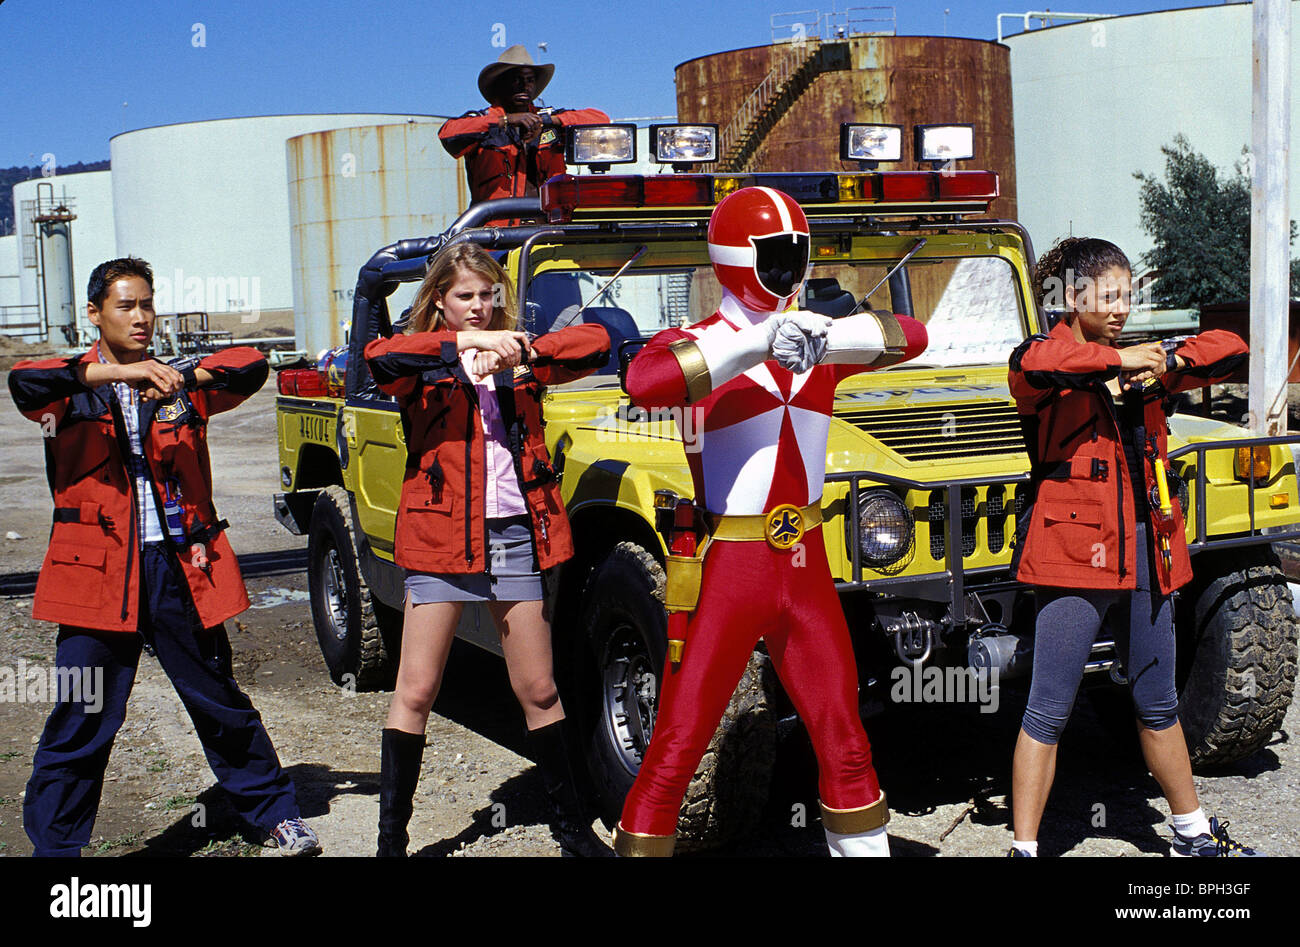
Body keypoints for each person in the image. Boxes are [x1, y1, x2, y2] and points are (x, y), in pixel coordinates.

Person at [613, 186, 928, 856]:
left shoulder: (813, 339)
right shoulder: (697, 344)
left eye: (797, 255)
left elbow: (914, 335)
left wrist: (827, 330)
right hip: (732, 563)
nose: (789, 270)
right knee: (679, 740)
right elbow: (644, 382)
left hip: (804, 563)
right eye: (775, 255)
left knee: (843, 733)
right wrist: (756, 343)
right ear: (736, 257)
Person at [10, 257, 320, 856]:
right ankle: (55, 850)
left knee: (218, 699)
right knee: (82, 713)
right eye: (126, 306)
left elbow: (251, 366)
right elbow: (27, 380)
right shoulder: (67, 392)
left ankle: (276, 815)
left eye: (148, 304)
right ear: (94, 314)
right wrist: (106, 377)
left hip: (179, 570)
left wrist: (188, 377)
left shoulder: (176, 384)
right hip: (96, 578)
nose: (142, 316)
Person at [1007, 236, 1258, 857]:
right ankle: (1025, 849)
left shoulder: (1145, 360)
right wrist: (1119, 363)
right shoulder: (1045, 358)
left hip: (1150, 553)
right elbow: (1038, 364)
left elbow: (1233, 349)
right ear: (1073, 296)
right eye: (1108, 296)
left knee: (1158, 700)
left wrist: (1165, 358)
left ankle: (1191, 833)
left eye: (1128, 296)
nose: (1121, 308)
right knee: (1048, 709)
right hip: (1074, 554)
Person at [363, 242, 611, 857]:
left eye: (486, 295)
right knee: (417, 690)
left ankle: (572, 829)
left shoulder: (518, 353)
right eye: (463, 297)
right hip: (440, 537)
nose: (477, 307)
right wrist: (465, 348)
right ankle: (391, 841)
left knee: (539, 689)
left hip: (514, 535)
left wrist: (522, 346)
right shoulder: (420, 359)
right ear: (439, 303)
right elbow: (378, 357)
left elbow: (597, 342)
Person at [439, 45, 610, 206]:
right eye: (516, 80)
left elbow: (601, 119)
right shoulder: (482, 123)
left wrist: (546, 121)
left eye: (529, 80)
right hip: (495, 232)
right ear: (500, 84)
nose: (524, 85)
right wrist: (506, 120)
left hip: (549, 229)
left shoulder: (551, 120)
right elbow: (448, 134)